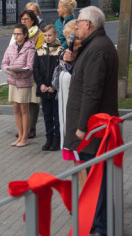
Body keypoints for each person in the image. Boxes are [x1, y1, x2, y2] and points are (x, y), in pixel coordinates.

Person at [63, 6, 119, 236]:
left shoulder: (98, 49)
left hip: (94, 129)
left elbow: (92, 91)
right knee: (97, 179)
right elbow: (82, 76)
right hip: (93, 128)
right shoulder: (94, 46)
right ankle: (99, 223)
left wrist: (82, 126)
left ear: (89, 24)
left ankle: (102, 227)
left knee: (99, 181)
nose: (75, 26)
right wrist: (71, 61)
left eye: (79, 22)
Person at [0, 24, 35, 147]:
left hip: (24, 82)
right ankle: (19, 136)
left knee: (24, 108)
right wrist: (11, 71)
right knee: (16, 107)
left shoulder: (30, 48)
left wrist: (21, 71)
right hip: (12, 81)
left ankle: (25, 138)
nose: (16, 36)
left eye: (19, 34)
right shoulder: (10, 48)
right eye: (15, 34)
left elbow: (30, 67)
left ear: (25, 35)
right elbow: (4, 63)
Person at [34, 24, 65, 152]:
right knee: (46, 115)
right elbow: (36, 69)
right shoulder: (39, 50)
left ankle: (57, 139)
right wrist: (41, 84)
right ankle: (49, 138)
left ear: (56, 35)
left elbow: (61, 70)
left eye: (50, 35)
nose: (47, 38)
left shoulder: (60, 50)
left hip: (55, 90)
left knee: (56, 115)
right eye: (45, 35)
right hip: (44, 89)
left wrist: (54, 86)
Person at [53, 19, 77, 160]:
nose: (69, 40)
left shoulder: (82, 55)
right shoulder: (65, 54)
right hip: (62, 102)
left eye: (71, 36)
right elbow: (56, 76)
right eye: (67, 37)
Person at [20, 10, 43, 139]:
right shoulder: (18, 33)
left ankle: (32, 127)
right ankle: (23, 127)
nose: (24, 21)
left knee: (33, 101)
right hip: (19, 71)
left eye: (26, 19)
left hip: (32, 71)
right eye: (22, 19)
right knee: (22, 100)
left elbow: (38, 51)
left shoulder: (39, 34)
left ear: (33, 21)